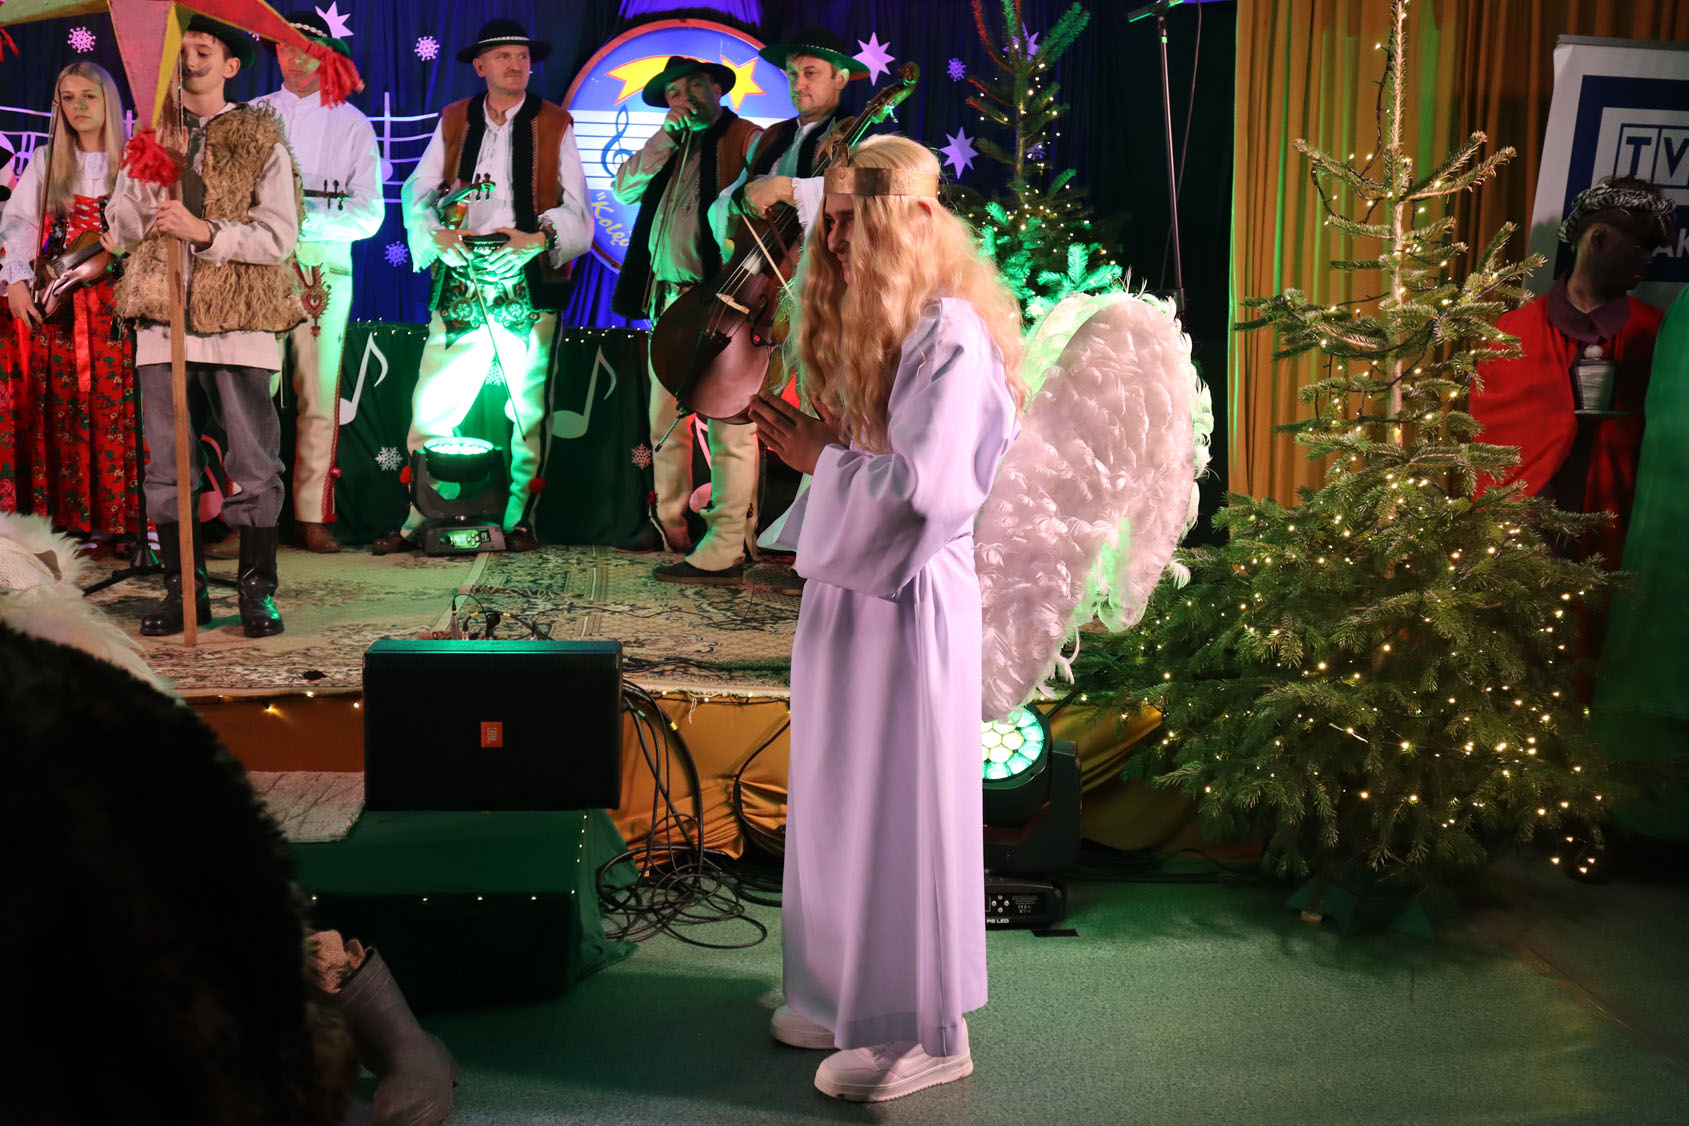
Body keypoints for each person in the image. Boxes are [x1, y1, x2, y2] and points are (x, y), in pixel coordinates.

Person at [746, 136, 1024, 1102]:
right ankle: (841, 996)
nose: (832, 246)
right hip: (850, 596)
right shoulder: (889, 327)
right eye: (827, 226)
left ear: (911, 221)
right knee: (840, 796)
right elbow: (877, 460)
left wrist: (820, 461)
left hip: (909, 601)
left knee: (905, 808)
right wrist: (824, 449)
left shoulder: (950, 333)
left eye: (850, 225)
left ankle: (928, 1030)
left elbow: (927, 495)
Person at [107, 17, 303, 638]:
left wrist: (207, 232)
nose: (189, 60)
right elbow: (121, 229)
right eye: (182, 50)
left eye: (202, 50)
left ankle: (255, 591)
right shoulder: (152, 136)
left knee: (253, 459)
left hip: (238, 322)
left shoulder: (260, 138)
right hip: (163, 322)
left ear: (229, 66)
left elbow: (279, 236)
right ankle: (182, 590)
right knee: (168, 465)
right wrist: (146, 190)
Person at [377, 18, 593, 556]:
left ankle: (521, 518)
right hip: (462, 273)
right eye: (503, 56)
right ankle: (422, 514)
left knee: (528, 408)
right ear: (480, 66)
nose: (516, 65)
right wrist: (437, 233)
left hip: (526, 276)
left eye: (522, 56)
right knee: (433, 403)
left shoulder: (554, 122)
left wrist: (536, 239)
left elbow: (577, 208)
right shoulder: (455, 119)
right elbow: (418, 191)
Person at [1472, 176, 1675, 566]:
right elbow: (1492, 451)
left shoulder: (1654, 333)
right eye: (1638, 247)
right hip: (1523, 545)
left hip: (1617, 539)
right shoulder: (1513, 332)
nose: (1648, 260)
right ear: (1598, 239)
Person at [609, 56, 761, 574]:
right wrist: (664, 140)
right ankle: (669, 522)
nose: (685, 97)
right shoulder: (669, 144)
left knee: (728, 423)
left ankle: (733, 537)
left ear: (716, 86)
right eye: (674, 92)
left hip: (722, 303)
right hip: (667, 304)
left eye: (695, 85)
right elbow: (623, 188)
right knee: (665, 421)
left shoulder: (746, 137)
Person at [253, 11, 384, 554]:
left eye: (306, 48)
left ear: (326, 56)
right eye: (285, 46)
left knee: (318, 390)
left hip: (321, 266)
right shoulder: (253, 115)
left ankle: (311, 514)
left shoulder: (352, 123)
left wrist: (300, 221)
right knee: (252, 389)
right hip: (256, 264)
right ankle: (249, 516)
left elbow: (370, 214)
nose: (295, 56)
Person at [0, 62, 138, 556]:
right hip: (61, 299)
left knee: (119, 406)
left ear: (108, 102)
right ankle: (74, 518)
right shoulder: (46, 159)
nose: (77, 107)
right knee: (65, 407)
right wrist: (16, 280)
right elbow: (17, 222)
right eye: (68, 97)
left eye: (88, 96)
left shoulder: (133, 159)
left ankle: (125, 521)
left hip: (121, 301)